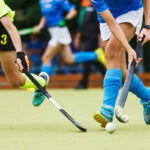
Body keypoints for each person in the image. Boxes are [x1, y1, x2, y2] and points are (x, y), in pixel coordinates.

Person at [90, 0, 150, 128]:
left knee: (111, 52)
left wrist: (148, 25)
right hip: (107, 16)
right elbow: (112, 23)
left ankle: (107, 110)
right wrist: (129, 48)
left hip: (130, 10)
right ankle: (148, 97)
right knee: (119, 68)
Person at [33, 0, 103, 77]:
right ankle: (96, 54)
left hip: (60, 31)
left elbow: (73, 11)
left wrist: (64, 20)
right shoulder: (41, 2)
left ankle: (40, 85)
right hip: (52, 32)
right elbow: (45, 16)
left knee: (46, 58)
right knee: (69, 59)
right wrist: (39, 26)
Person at [0, 0, 49, 107]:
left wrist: (20, 54)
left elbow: (11, 29)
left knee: (15, 80)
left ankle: (41, 82)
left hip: (3, 35)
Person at [74, 0, 106, 89]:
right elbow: (81, 22)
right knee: (95, 61)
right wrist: (77, 37)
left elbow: (100, 21)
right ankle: (110, 78)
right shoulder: (83, 3)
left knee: (87, 61)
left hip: (93, 36)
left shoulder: (96, 2)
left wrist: (101, 39)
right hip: (84, 36)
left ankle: (83, 83)